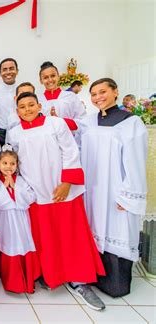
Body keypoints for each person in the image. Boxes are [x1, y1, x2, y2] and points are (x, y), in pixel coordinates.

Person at [7, 92, 105, 310]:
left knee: (71, 236)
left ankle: (79, 280)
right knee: (45, 237)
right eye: (22, 107)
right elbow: (13, 162)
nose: (27, 109)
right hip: (36, 193)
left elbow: (70, 152)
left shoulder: (56, 124)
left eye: (31, 105)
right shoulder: (14, 134)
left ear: (39, 105)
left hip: (62, 190)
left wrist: (67, 183)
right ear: (17, 111)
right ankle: (51, 275)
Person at [78, 78, 147, 297]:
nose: (98, 97)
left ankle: (116, 284)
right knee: (94, 228)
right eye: (94, 94)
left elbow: (136, 161)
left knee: (117, 230)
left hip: (116, 189)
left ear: (115, 92)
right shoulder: (88, 122)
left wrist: (128, 195)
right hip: (93, 188)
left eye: (102, 92)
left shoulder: (131, 122)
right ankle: (95, 275)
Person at [0, 146, 40, 293]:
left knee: (23, 245)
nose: (8, 167)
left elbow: (32, 197)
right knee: (9, 247)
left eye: (12, 163)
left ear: (17, 165)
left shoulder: (21, 181)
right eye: (5, 163)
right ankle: (12, 282)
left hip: (21, 220)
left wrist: (16, 189)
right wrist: (4, 188)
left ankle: (27, 278)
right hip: (5, 221)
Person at [38, 61, 86, 130]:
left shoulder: (71, 96)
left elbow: (82, 121)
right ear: (41, 81)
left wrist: (60, 122)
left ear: (58, 77)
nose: (50, 80)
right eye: (45, 77)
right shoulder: (38, 101)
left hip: (68, 138)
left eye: (53, 76)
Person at [0, 58, 19, 146]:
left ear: (17, 71)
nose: (8, 72)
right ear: (0, 73)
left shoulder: (22, 90)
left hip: (18, 130)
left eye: (11, 68)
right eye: (5, 69)